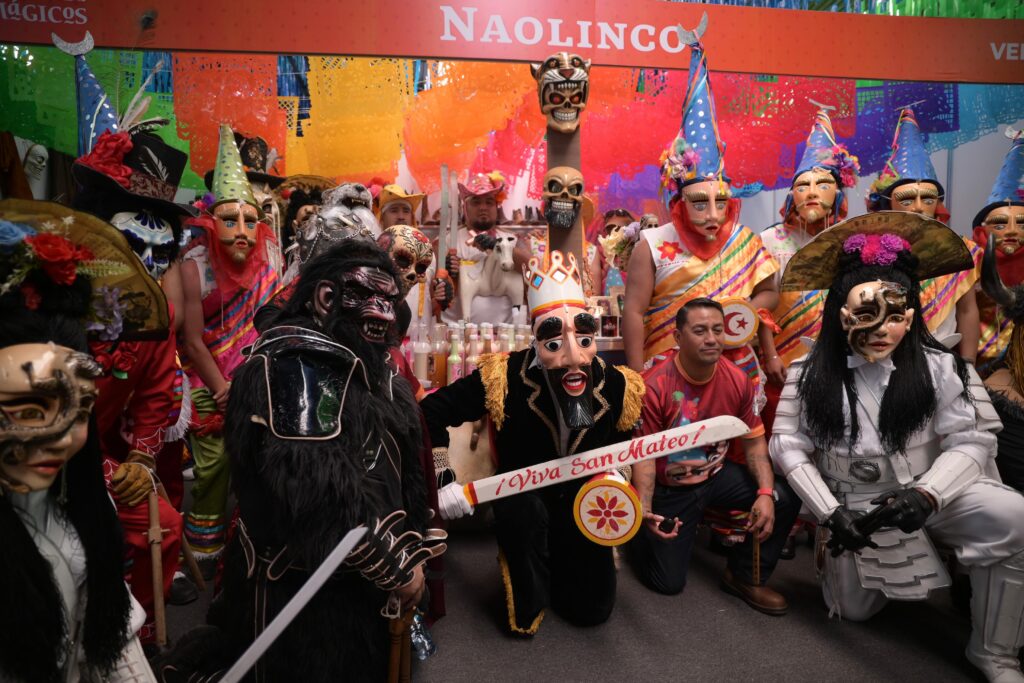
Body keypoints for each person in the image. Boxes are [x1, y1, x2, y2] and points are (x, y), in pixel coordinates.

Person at [158, 240, 446, 681]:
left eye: (389, 300)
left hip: (358, 576)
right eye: (367, 296)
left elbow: (399, 465)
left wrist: (411, 548)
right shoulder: (298, 367)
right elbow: (321, 498)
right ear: (326, 297)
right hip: (303, 589)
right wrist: (395, 566)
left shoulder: (373, 363)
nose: (385, 313)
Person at [770, 216, 1024, 683]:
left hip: (933, 494)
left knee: (1015, 517)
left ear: (910, 317)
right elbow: (786, 444)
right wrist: (830, 513)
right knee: (855, 610)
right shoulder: (807, 373)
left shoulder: (945, 368)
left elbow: (974, 438)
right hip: (855, 506)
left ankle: (994, 651)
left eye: (894, 316)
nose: (881, 329)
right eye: (866, 314)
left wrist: (928, 494)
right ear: (841, 315)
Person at [422, 250, 645, 635]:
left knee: (592, 610)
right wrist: (444, 478)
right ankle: (530, 581)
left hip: (584, 496)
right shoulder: (504, 376)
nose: (575, 359)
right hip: (523, 497)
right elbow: (429, 413)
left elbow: (622, 438)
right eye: (554, 342)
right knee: (524, 531)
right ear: (535, 337)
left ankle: (568, 564)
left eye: (584, 339)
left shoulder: (617, 383)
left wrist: (617, 476)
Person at [63, 35, 199, 633]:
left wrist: (142, 457)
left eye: (157, 250)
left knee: (163, 525)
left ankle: (130, 636)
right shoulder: (49, 307)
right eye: (128, 244)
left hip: (104, 458)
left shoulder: (152, 317)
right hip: (29, 461)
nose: (143, 261)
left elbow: (157, 389)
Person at [0, 199, 167, 682]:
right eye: (29, 410)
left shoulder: (75, 502)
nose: (57, 439)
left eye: (78, 411)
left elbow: (110, 641)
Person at [623, 20, 778, 377]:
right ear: (678, 201)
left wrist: (742, 310)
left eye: (721, 203)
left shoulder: (744, 241)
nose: (713, 214)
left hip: (735, 366)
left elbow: (770, 291)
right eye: (699, 203)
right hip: (666, 371)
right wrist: (634, 377)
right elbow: (633, 311)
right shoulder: (652, 244)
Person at [632, 298, 798, 615]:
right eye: (700, 331)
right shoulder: (654, 385)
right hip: (671, 488)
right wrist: (644, 512)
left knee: (784, 496)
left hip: (716, 475)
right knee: (667, 583)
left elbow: (755, 444)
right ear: (678, 337)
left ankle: (743, 576)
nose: (711, 339)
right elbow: (644, 459)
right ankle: (639, 540)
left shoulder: (737, 379)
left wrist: (765, 493)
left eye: (717, 330)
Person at [178, 124, 280, 564]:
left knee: (262, 460)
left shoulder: (268, 267)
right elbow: (191, 340)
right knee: (215, 464)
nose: (241, 230)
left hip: (255, 380)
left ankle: (250, 543)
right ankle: (205, 549)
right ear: (209, 221)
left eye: (250, 221)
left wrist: (248, 384)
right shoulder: (194, 267)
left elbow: (272, 330)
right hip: (207, 382)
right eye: (229, 220)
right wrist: (222, 388)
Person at [759, 104, 860, 434]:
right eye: (803, 186)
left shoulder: (854, 241)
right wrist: (770, 355)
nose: (813, 193)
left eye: (823, 184)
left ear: (839, 193)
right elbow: (761, 305)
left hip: (840, 358)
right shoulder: (770, 240)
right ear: (792, 195)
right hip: (782, 357)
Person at [868, 107, 981, 360]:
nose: (919, 207)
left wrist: (969, 365)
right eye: (907, 199)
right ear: (888, 203)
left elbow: (967, 311)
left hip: (942, 357)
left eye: (928, 199)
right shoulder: (871, 249)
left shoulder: (958, 248)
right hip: (887, 358)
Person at [442, 171, 531, 325]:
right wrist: (447, 273)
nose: (483, 207)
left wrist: (496, 245)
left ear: (497, 207)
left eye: (489, 202)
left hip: (507, 333)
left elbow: (533, 270)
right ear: (465, 207)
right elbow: (433, 289)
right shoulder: (448, 241)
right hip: (459, 333)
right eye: (476, 202)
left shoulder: (512, 239)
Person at [974, 129, 1024, 374]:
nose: (1012, 231)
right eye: (1000, 224)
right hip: (974, 368)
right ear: (982, 230)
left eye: (1022, 224)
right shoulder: (964, 266)